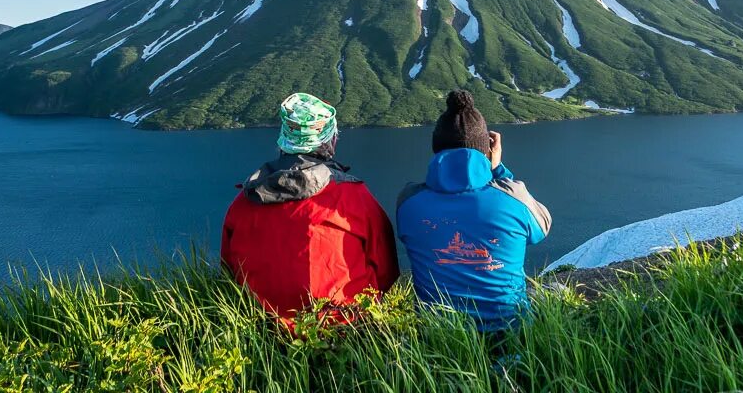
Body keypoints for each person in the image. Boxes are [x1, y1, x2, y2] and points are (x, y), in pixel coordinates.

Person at [221, 92, 399, 327]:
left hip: (262, 327)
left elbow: (228, 268)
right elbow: (386, 270)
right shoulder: (353, 196)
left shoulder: (245, 200)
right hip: (344, 327)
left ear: (284, 141)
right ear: (330, 142)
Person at [395, 90, 552, 332]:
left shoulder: (408, 201)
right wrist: (499, 170)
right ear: (487, 149)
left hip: (438, 336)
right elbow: (542, 226)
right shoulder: (512, 198)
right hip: (512, 332)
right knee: (554, 292)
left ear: (436, 148)